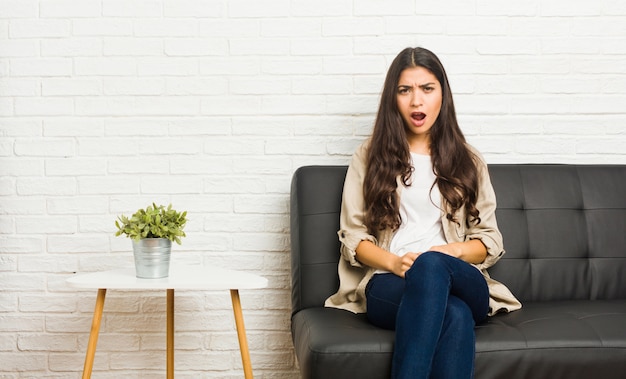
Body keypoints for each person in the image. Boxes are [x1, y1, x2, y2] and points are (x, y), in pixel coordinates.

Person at [325, 47, 522, 379]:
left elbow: (488, 240)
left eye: (427, 89)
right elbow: (354, 238)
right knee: (455, 315)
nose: (416, 101)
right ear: (394, 98)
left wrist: (451, 252)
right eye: (405, 90)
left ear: (442, 95)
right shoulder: (369, 156)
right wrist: (395, 263)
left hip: (460, 277)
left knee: (432, 265)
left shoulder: (468, 160)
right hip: (390, 282)